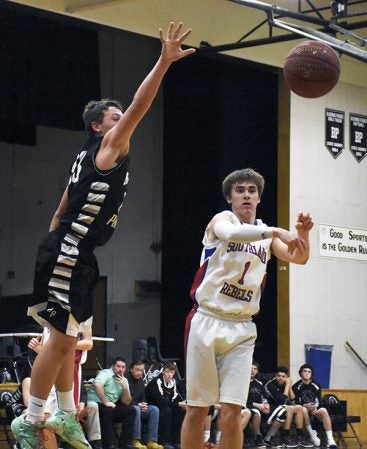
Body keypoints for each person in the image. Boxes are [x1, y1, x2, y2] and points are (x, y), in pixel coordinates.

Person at [11, 22, 195, 449]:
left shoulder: (86, 159)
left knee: (70, 339)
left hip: (73, 249)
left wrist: (57, 249)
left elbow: (59, 211)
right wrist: (164, 62)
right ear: (99, 127)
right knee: (60, 339)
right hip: (70, 249)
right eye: (113, 119)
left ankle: (65, 413)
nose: (122, 123)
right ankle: (31, 417)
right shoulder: (108, 148)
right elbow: (139, 106)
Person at [181, 168, 313, 449]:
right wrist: (276, 230)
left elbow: (299, 257)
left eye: (252, 191)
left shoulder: (266, 237)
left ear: (259, 198)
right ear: (229, 197)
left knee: (232, 412)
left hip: (241, 327)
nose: (246, 195)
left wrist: (302, 234)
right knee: (197, 409)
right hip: (207, 320)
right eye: (240, 190)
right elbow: (231, 233)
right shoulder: (222, 220)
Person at [87, 356, 136, 449]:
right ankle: (110, 444)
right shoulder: (106, 373)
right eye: (118, 366)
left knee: (131, 411)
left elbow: (127, 402)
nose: (120, 369)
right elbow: (98, 384)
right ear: (113, 366)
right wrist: (105, 401)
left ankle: (125, 443)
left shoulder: (124, 380)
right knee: (107, 410)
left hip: (110, 405)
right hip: (96, 402)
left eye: (123, 367)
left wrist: (125, 388)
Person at [264, 366, 311, 448]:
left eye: (283, 376)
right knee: (288, 408)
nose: (280, 378)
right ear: (275, 376)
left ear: (286, 377)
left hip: (281, 408)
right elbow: (281, 401)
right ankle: (285, 438)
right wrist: (287, 385)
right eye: (278, 376)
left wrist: (289, 387)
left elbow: (293, 401)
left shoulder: (286, 384)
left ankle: (300, 436)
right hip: (270, 408)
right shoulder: (270, 385)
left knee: (299, 407)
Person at [292, 364, 337, 449]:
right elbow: (295, 401)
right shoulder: (295, 386)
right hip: (302, 410)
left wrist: (314, 407)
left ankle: (330, 440)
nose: (307, 373)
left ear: (311, 374)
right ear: (301, 373)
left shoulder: (316, 385)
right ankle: (311, 434)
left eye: (309, 372)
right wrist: (304, 405)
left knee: (323, 410)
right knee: (304, 409)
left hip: (314, 409)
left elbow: (319, 400)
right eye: (304, 371)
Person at [145, 362, 186, 449]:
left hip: (166, 406)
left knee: (181, 411)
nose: (169, 375)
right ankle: (164, 441)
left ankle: (175, 441)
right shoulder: (156, 382)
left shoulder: (173, 382)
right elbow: (161, 401)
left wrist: (180, 404)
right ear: (163, 371)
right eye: (167, 372)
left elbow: (174, 399)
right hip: (153, 406)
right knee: (167, 411)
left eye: (172, 372)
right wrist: (178, 404)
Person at [125, 359, 163, 449]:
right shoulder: (125, 379)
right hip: (128, 406)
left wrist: (144, 404)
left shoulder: (141, 381)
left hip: (139, 406)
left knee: (154, 409)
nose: (139, 373)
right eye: (137, 370)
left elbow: (143, 397)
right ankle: (135, 440)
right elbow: (124, 399)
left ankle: (152, 441)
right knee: (136, 409)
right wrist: (138, 405)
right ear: (131, 369)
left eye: (141, 370)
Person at [246, 362, 270, 448]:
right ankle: (258, 437)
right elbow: (243, 399)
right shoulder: (243, 383)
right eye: (251, 368)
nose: (252, 371)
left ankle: (268, 438)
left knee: (275, 411)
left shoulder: (259, 383)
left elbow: (264, 396)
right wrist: (258, 405)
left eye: (255, 369)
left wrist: (266, 404)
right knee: (256, 413)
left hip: (260, 406)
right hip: (246, 406)